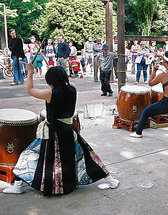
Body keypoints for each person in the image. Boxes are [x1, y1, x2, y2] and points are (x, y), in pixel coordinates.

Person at [2, 64, 119, 195]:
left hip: (54, 133)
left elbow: (30, 90)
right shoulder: (72, 89)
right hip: (69, 130)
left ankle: (17, 185)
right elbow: (66, 83)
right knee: (86, 155)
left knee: (28, 155)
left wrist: (30, 72)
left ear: (50, 81)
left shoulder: (50, 94)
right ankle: (111, 180)